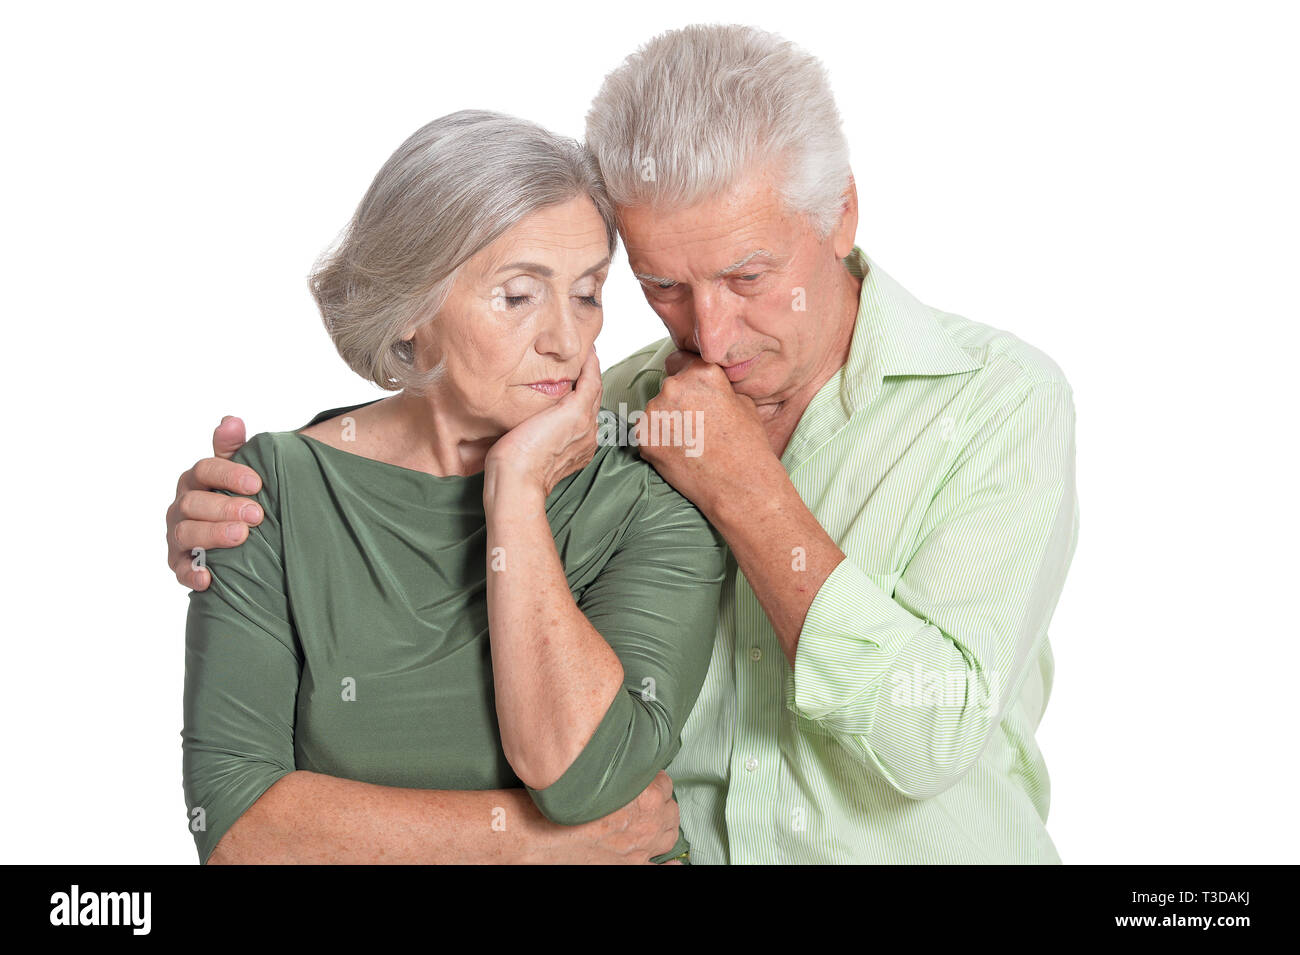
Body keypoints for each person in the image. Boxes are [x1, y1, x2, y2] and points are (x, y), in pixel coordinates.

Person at [170, 24, 1079, 864]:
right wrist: (266, 494)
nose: (711, 336)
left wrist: (742, 490)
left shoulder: (999, 402)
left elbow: (932, 736)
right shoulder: (614, 410)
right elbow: (434, 425)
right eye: (660, 285)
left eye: (747, 276)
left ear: (841, 215)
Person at [178, 109, 725, 864]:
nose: (567, 340)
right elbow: (237, 826)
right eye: (518, 294)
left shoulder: (649, 502)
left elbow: (586, 777)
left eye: (588, 292)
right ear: (411, 312)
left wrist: (517, 493)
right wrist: (537, 847)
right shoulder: (269, 492)